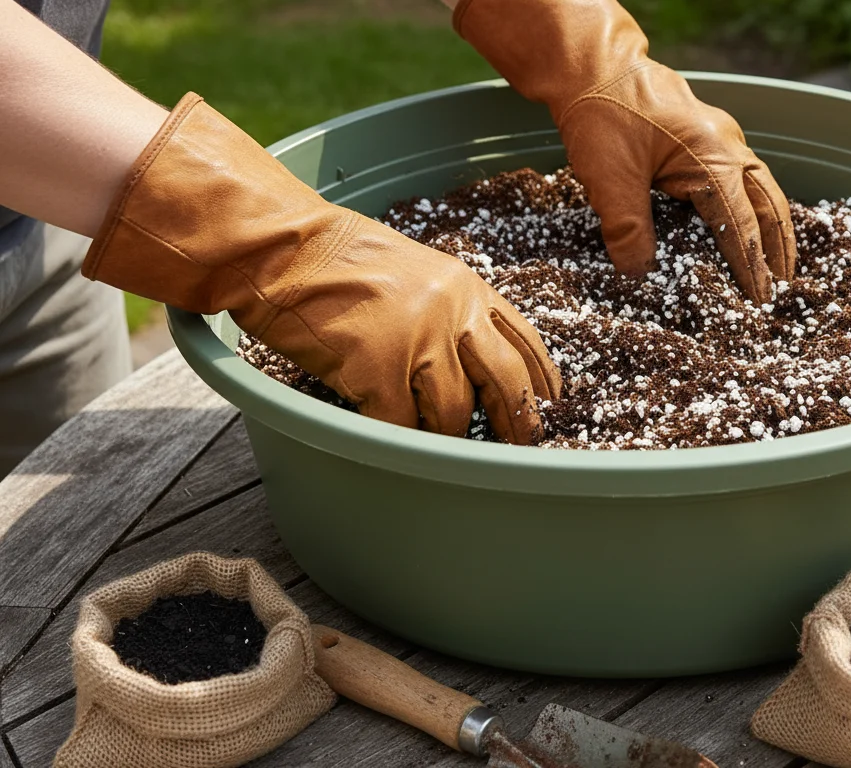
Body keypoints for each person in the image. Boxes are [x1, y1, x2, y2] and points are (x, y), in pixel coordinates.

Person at [0, 0, 797, 474]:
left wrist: (581, 47)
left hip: (49, 208)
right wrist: (278, 245)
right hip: (63, 167)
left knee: (56, 560)